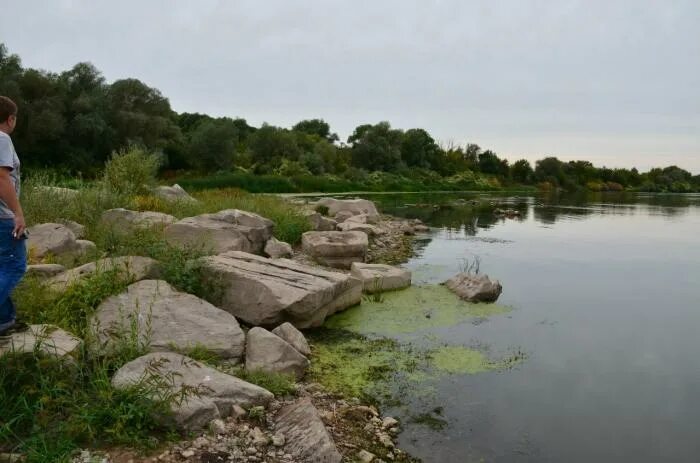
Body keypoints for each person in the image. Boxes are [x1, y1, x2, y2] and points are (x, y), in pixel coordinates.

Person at [0, 96, 27, 335]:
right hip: (2, 217)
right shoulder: (2, 138)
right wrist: (17, 214)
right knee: (15, 266)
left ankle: (5, 320)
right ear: (10, 119)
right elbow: (2, 178)